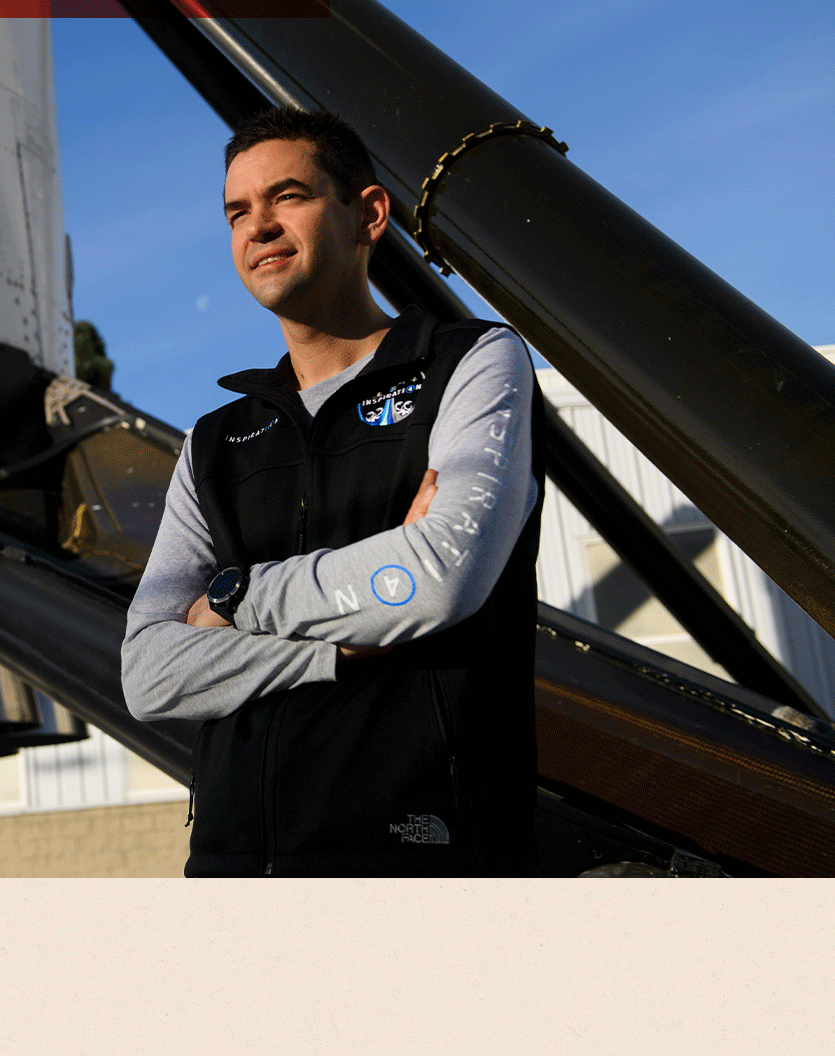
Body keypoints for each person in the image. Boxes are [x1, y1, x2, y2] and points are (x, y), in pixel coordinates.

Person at [120, 107, 544, 877]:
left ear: (368, 214)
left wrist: (233, 598)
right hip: (236, 867)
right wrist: (350, 641)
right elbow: (148, 673)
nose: (259, 227)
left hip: (429, 863)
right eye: (237, 212)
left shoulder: (472, 363)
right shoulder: (216, 441)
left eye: (288, 196)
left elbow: (440, 577)